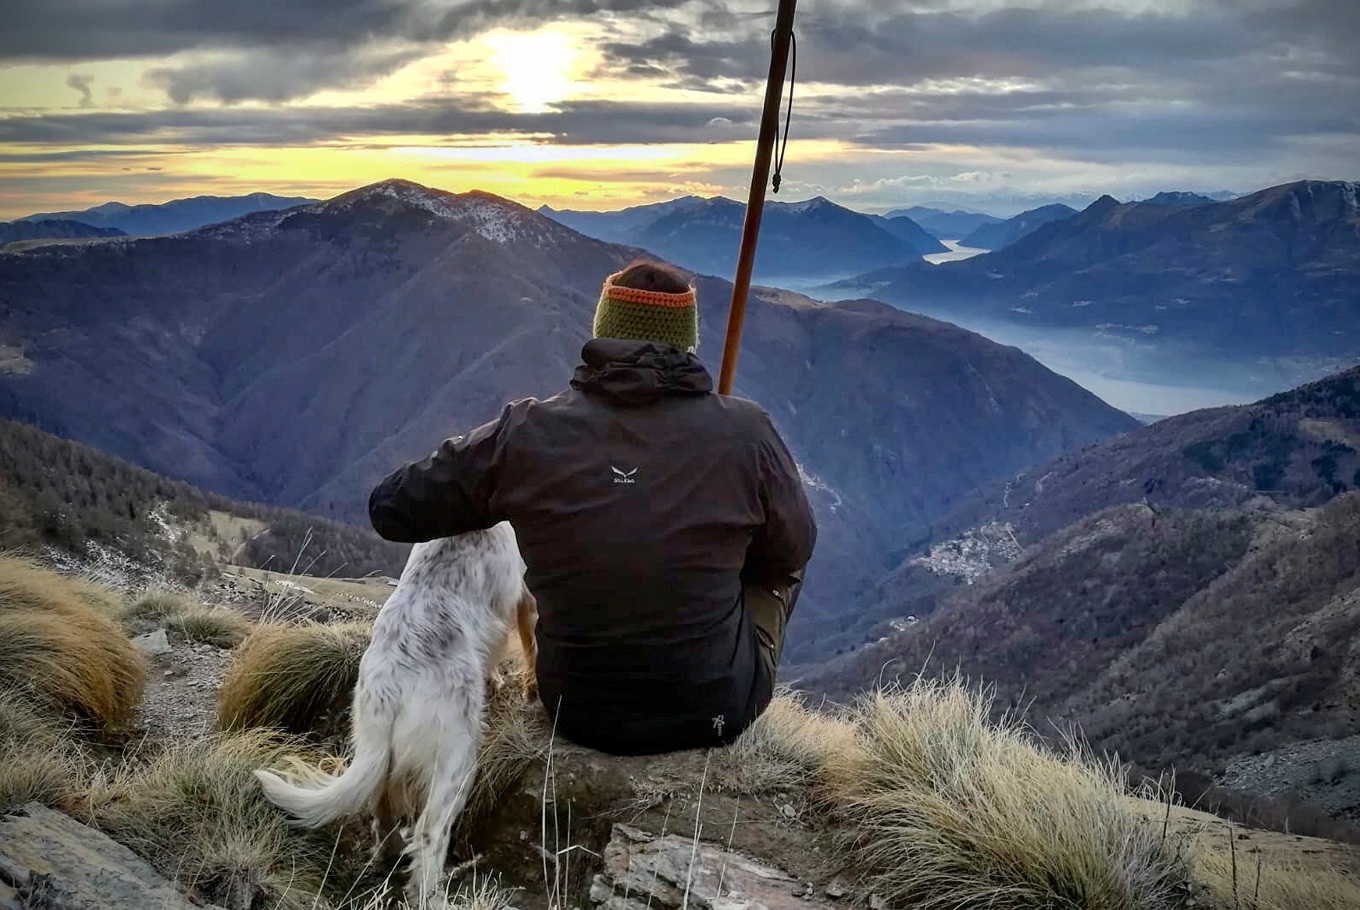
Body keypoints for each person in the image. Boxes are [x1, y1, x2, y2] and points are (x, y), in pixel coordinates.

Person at [367, 259, 817, 755]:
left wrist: (499, 486)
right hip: (716, 711)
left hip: (576, 710)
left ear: (603, 330)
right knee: (775, 565)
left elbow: (391, 507)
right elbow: (794, 549)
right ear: (687, 342)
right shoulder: (747, 433)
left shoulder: (528, 433)